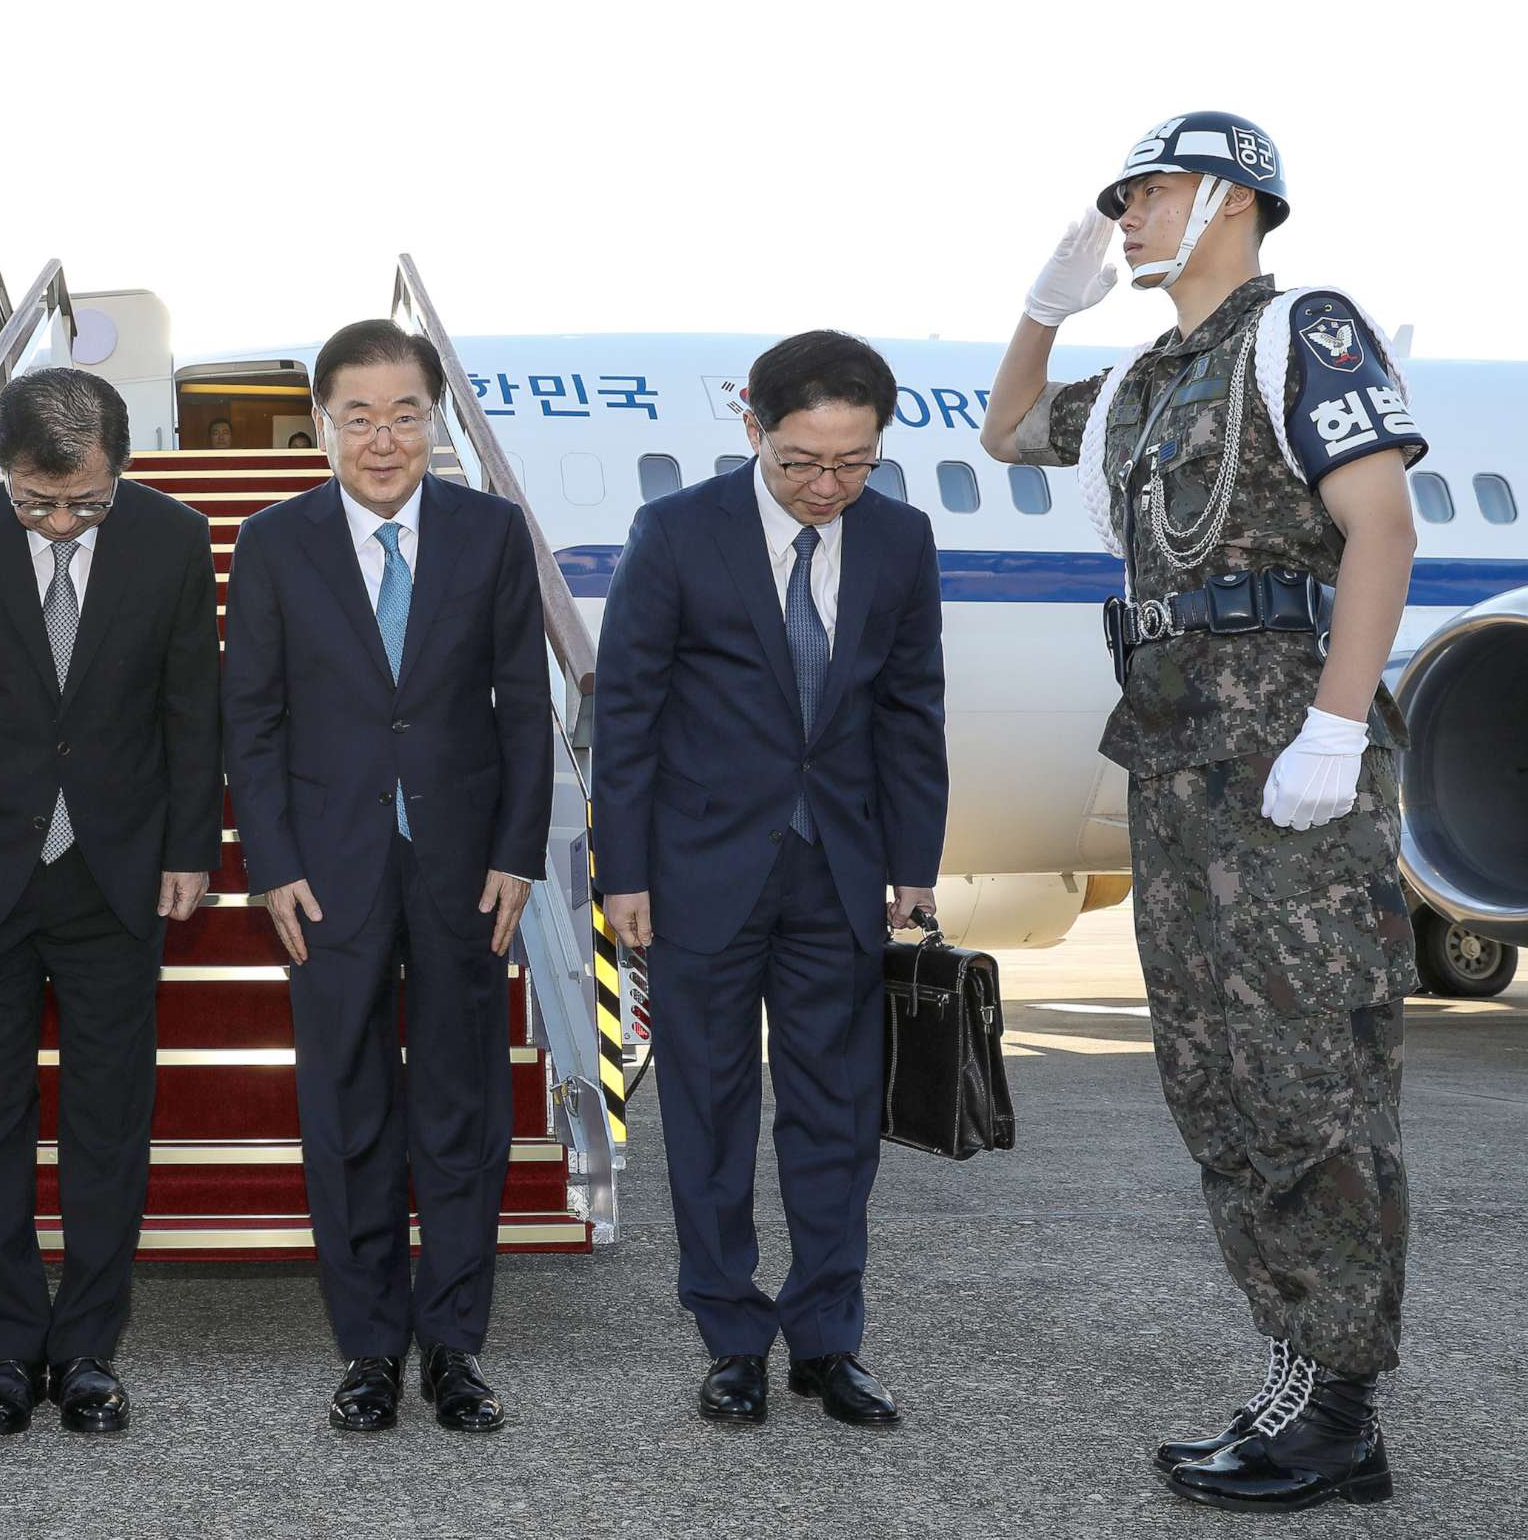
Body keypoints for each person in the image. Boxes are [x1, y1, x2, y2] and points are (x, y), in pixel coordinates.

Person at [983, 112, 1422, 1514]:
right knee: (1217, 1080)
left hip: (1288, 748)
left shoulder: (1308, 332)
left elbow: (1383, 527)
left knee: (1312, 1080)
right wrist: (1040, 315)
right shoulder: (1146, 383)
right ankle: (1299, 1375)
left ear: (1231, 198)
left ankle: (1337, 1403)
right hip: (1176, 759)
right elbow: (1005, 429)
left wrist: (1340, 727)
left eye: (1151, 190)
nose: (1126, 214)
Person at [592, 332, 947, 1429]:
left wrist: (912, 866)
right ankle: (732, 1338)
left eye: (853, 464)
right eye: (801, 462)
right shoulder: (678, 531)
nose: (826, 487)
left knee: (836, 1115)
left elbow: (911, 708)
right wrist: (625, 872)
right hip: (699, 875)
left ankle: (828, 1340)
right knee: (708, 1110)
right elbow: (629, 713)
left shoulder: (898, 539)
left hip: (837, 872)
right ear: (753, 428)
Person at [220, 320, 553, 1434]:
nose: (382, 437)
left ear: (434, 419)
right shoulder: (273, 543)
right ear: (321, 425)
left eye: (405, 413)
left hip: (466, 872)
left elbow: (523, 703)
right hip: (328, 877)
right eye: (357, 416)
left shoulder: (493, 533)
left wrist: (517, 850)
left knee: (463, 1113)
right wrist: (271, 866)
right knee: (347, 1111)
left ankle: (455, 1349)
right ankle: (368, 1350)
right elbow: (251, 722)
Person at [0, 367, 220, 1435]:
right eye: (40, 501)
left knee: (108, 1123)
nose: (64, 521)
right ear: (2, 470)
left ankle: (86, 1351)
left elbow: (190, 705)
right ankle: (2, 1355)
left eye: (87, 500)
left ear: (122, 468)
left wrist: (188, 847)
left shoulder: (172, 536)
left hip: (115, 872)